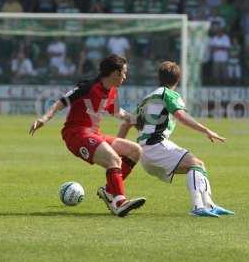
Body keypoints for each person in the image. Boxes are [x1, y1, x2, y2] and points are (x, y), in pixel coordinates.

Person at [29, 54, 146, 217]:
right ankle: (119, 202)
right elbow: (62, 101)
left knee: (135, 151)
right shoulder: (88, 86)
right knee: (113, 159)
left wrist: (135, 120)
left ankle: (109, 190)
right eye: (124, 72)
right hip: (76, 134)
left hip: (94, 134)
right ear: (114, 73)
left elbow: (116, 111)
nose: (125, 76)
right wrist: (44, 119)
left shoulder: (112, 90)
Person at [118, 61, 234, 218]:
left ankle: (209, 205)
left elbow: (127, 123)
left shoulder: (147, 98)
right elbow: (181, 116)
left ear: (158, 77)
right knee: (196, 164)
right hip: (156, 146)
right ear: (178, 80)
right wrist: (206, 130)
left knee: (198, 165)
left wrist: (118, 147)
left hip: (144, 155)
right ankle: (198, 207)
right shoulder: (168, 94)